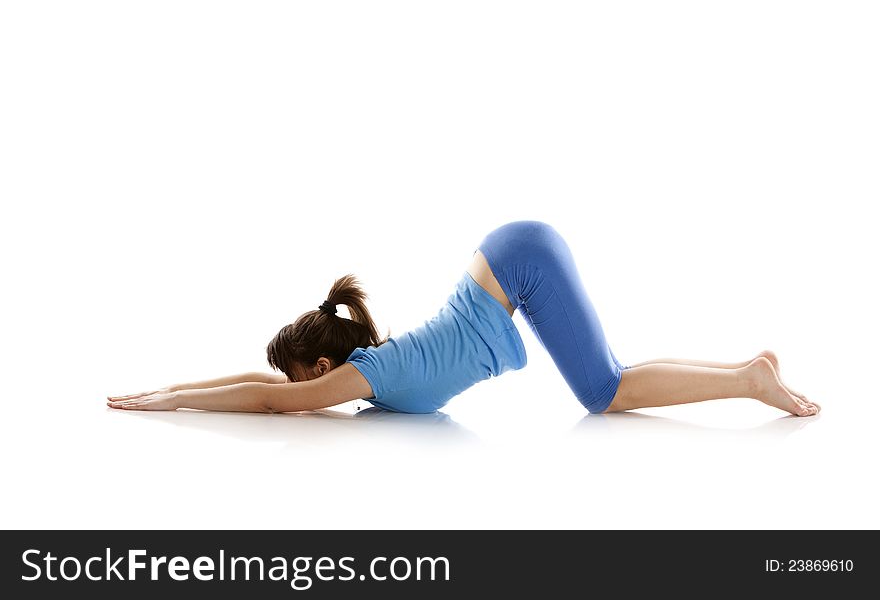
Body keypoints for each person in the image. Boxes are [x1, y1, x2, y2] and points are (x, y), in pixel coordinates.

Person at [107, 220, 820, 417]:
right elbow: (265, 387)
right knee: (611, 380)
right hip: (511, 258)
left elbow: (264, 397)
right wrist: (175, 386)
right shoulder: (372, 377)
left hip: (516, 266)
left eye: (299, 385)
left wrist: (169, 397)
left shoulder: (360, 376)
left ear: (320, 369)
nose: (297, 400)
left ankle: (749, 380)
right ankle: (746, 373)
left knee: (607, 392)